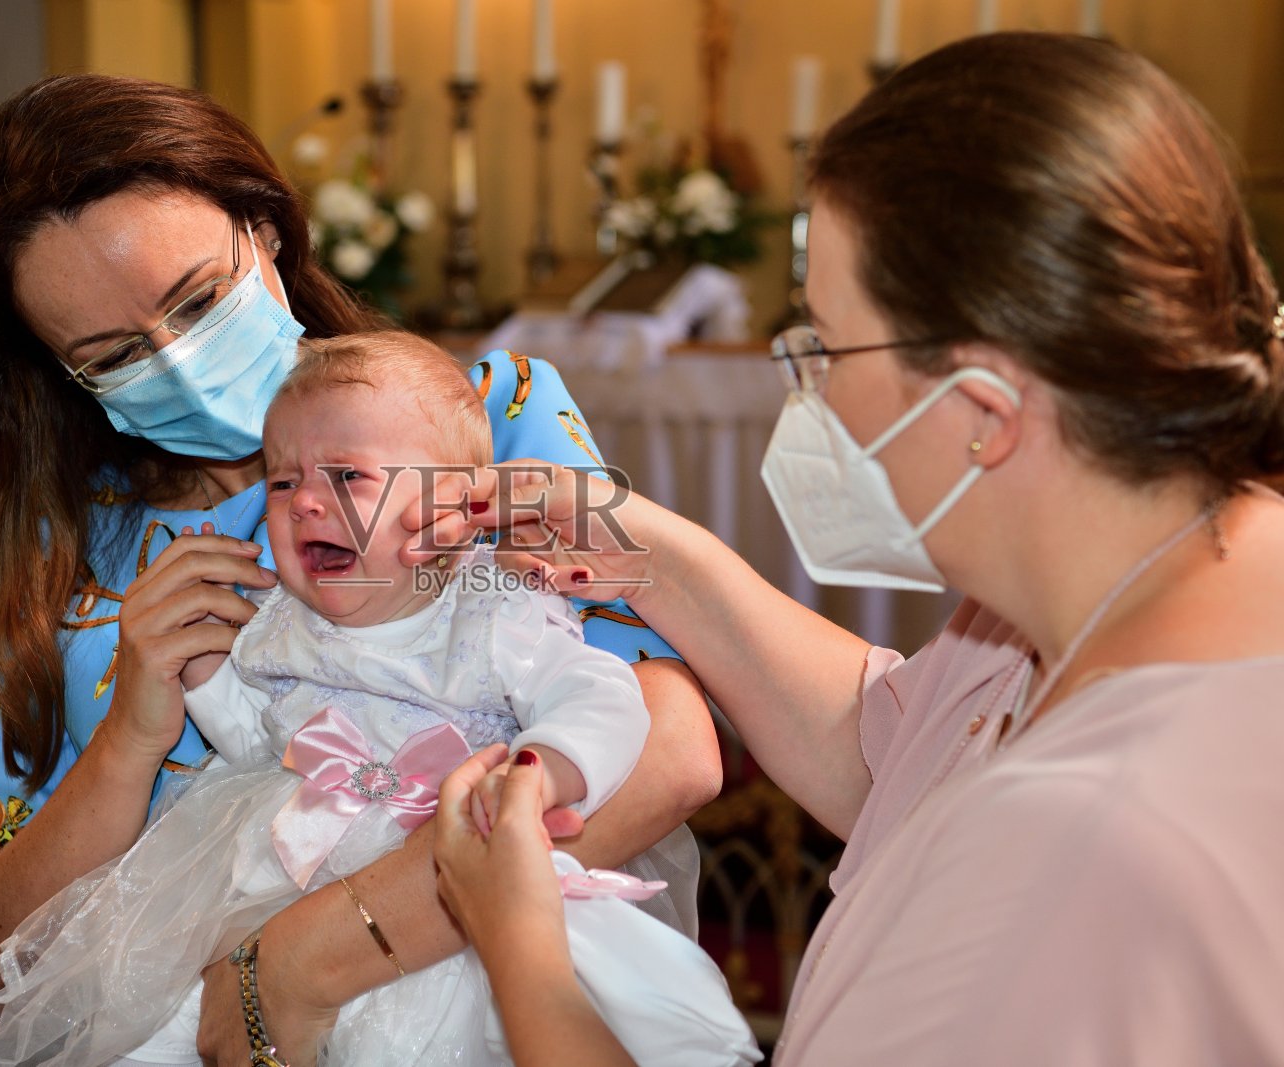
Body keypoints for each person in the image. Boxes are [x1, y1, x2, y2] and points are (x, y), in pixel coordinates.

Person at [430, 32, 1284, 1066]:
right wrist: (647, 556)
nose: (813, 388)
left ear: (982, 408)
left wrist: (516, 937)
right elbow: (904, 748)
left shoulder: (1077, 845)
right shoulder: (1128, 580)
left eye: (827, 345)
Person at [0, 73, 722, 1064]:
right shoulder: (33, 558)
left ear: (263, 230)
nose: (176, 360)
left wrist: (308, 959)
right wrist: (131, 736)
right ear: (60, 372)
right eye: (116, 352)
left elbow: (669, 750)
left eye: (198, 298)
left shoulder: (472, 422)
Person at [0, 333, 756, 1067]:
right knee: (155, 1016)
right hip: (282, 862)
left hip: (447, 858)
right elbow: (258, 742)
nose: (305, 501)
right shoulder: (279, 624)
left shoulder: (493, 605)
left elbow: (603, 697)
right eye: (284, 481)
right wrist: (204, 678)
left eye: (346, 476)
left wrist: (541, 771)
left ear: (451, 510)